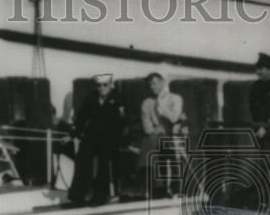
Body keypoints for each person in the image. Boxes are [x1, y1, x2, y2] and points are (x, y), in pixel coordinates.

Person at [68, 73, 127, 205]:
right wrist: (73, 133)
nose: (101, 88)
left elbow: (123, 121)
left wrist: (121, 137)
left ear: (111, 85)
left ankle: (100, 196)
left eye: (105, 85)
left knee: (103, 161)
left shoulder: (118, 98)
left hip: (111, 136)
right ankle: (77, 194)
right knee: (82, 157)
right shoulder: (91, 97)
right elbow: (81, 117)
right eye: (98, 85)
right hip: (92, 135)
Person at [140, 72, 185, 195]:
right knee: (149, 144)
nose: (151, 87)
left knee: (164, 146)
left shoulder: (175, 98)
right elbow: (147, 128)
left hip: (175, 136)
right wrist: (158, 129)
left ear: (163, 83)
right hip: (157, 138)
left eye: (154, 83)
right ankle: (157, 189)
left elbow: (174, 118)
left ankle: (175, 188)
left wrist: (161, 104)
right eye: (149, 84)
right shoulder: (147, 103)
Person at [249, 52, 270, 146]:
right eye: (257, 69)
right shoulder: (256, 86)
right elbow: (254, 109)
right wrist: (258, 128)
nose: (257, 72)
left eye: (260, 69)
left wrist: (266, 128)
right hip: (259, 130)